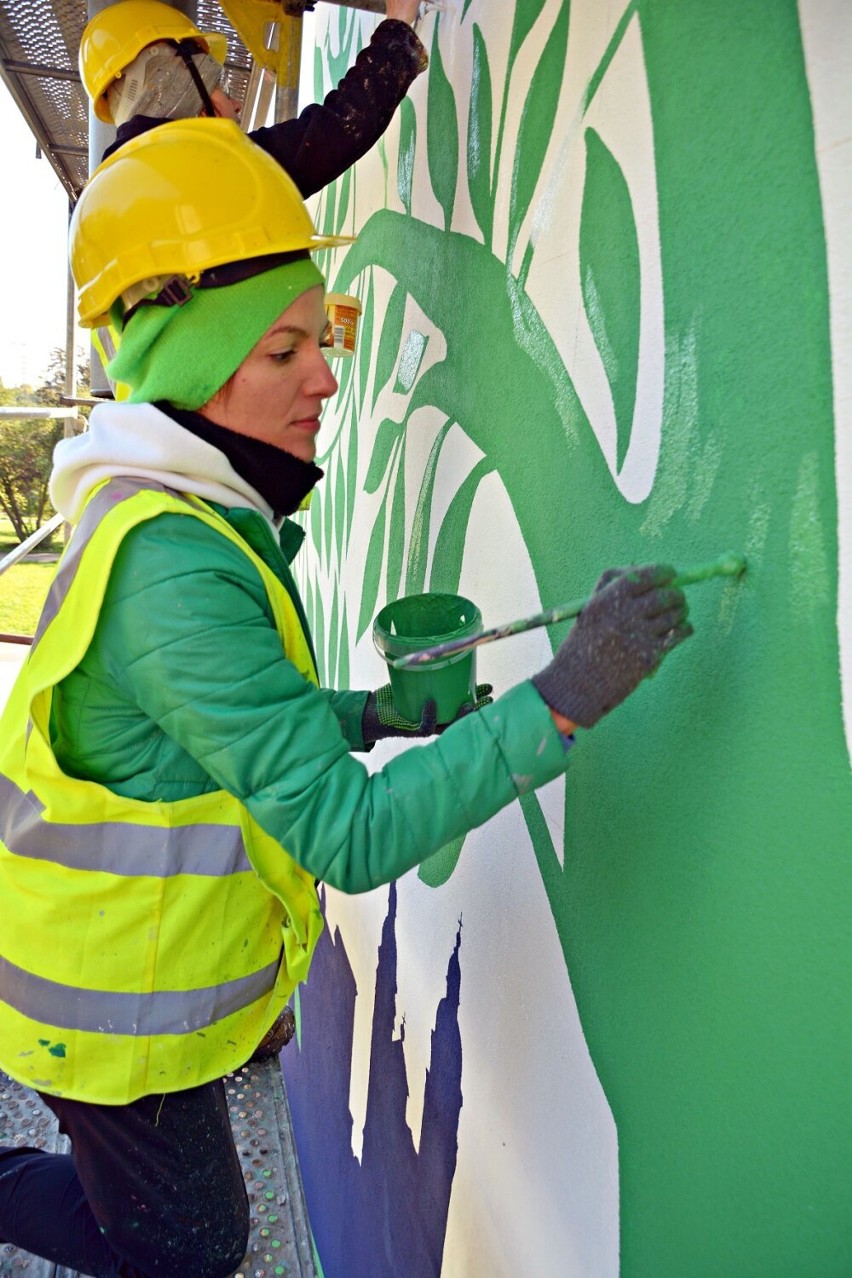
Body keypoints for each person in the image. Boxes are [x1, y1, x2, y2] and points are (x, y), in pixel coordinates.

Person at [0, 120, 692, 1277]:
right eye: (284, 352)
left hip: (134, 985)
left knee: (181, 1225)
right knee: (190, 1246)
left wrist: (371, 718)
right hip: (105, 1010)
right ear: (188, 364)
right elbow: (349, 833)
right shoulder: (175, 569)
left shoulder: (194, 518)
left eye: (324, 339)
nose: (327, 377)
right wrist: (565, 699)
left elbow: (214, 738)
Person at [79, 0, 428, 193]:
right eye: (221, 89)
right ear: (195, 100)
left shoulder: (108, 202)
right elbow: (337, 130)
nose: (237, 105)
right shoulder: (222, 171)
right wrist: (399, 21)